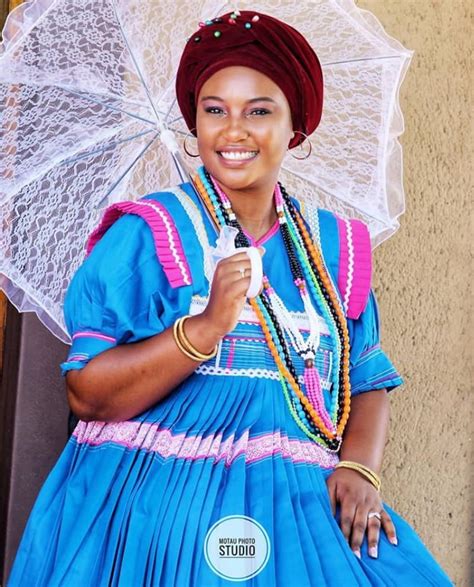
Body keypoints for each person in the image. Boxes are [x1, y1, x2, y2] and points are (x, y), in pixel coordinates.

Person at [7, 10, 452, 587]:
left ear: (297, 127)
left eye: (259, 111)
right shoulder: (147, 233)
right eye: (214, 110)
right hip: (153, 497)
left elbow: (366, 384)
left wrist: (360, 469)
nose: (233, 131)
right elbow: (87, 394)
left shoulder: (335, 248)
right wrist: (206, 327)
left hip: (295, 497)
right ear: (194, 124)